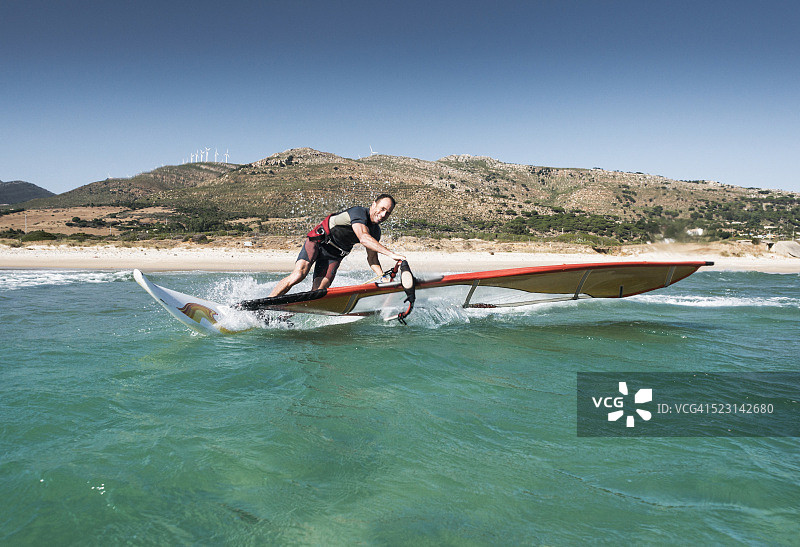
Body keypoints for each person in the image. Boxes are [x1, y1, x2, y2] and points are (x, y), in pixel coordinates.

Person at [268, 194, 406, 297]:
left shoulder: (375, 231)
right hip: (318, 243)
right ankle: (266, 303)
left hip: (333, 256)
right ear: (373, 204)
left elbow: (372, 259)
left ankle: (284, 316)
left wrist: (382, 276)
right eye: (382, 209)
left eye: (387, 213)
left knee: (318, 292)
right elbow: (363, 238)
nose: (383, 215)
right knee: (299, 275)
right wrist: (392, 254)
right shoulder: (358, 212)